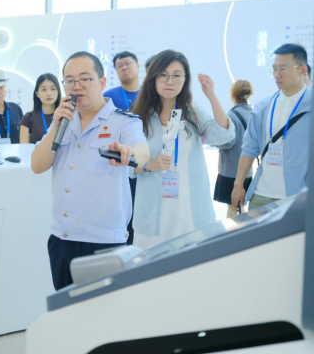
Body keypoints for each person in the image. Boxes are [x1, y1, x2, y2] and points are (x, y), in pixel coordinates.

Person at [31, 51, 150, 290]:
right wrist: (55, 126)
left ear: (102, 82)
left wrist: (130, 153)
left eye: (85, 79)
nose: (77, 86)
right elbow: (37, 165)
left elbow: (142, 151)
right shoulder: (62, 122)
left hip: (104, 243)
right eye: (70, 80)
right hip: (62, 238)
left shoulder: (123, 121)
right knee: (66, 308)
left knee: (105, 311)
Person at [131, 50, 234, 251]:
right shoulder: (139, 116)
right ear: (153, 78)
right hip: (154, 212)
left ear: (185, 80)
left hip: (191, 207)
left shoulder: (193, 112)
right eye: (163, 74)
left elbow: (224, 136)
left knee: (193, 264)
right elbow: (125, 165)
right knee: (153, 264)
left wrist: (211, 96)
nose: (170, 81)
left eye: (177, 75)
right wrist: (150, 165)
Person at [232, 43, 311, 211]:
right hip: (261, 195)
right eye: (274, 69)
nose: (277, 75)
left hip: (299, 196)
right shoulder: (263, 107)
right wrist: (238, 184)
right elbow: (249, 149)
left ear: (302, 70)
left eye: (283, 68)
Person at [103, 51, 143, 244]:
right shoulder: (108, 97)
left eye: (128, 63)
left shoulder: (150, 95)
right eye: (120, 66)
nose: (124, 67)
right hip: (120, 165)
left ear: (138, 66)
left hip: (147, 163)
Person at [213, 80, 254, 217]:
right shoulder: (254, 113)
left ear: (232, 95)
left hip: (231, 171)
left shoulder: (231, 116)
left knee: (233, 209)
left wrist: (214, 141)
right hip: (247, 170)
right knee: (239, 206)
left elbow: (229, 143)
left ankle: (237, 231)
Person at [20, 73, 61, 144]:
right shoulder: (28, 118)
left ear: (58, 92)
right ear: (37, 94)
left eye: (53, 89)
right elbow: (24, 148)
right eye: (44, 89)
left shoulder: (65, 116)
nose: (49, 93)